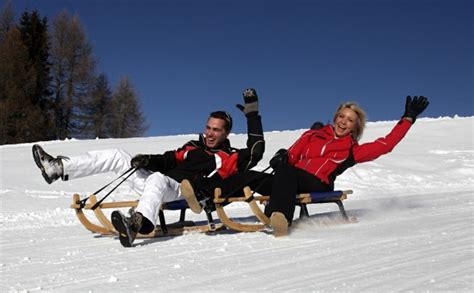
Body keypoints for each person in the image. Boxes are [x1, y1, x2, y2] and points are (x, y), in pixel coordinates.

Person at [32, 88, 265, 247]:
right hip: (159, 185)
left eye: (216, 130)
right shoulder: (192, 147)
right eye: (208, 127)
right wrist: (146, 160)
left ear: (226, 133)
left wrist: (252, 115)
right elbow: (167, 160)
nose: (209, 133)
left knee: (157, 180)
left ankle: (138, 223)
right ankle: (58, 168)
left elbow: (256, 151)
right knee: (117, 156)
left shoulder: (229, 156)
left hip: (184, 191)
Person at [183, 96, 429, 237]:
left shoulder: (352, 150)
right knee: (250, 175)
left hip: (317, 183)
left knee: (286, 172)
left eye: (350, 120)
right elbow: (293, 154)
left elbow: (386, 144)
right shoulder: (313, 135)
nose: (344, 122)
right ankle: (205, 196)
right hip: (289, 177)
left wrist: (407, 119)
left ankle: (281, 217)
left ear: (356, 127)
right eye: (342, 117)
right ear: (335, 117)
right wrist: (283, 156)